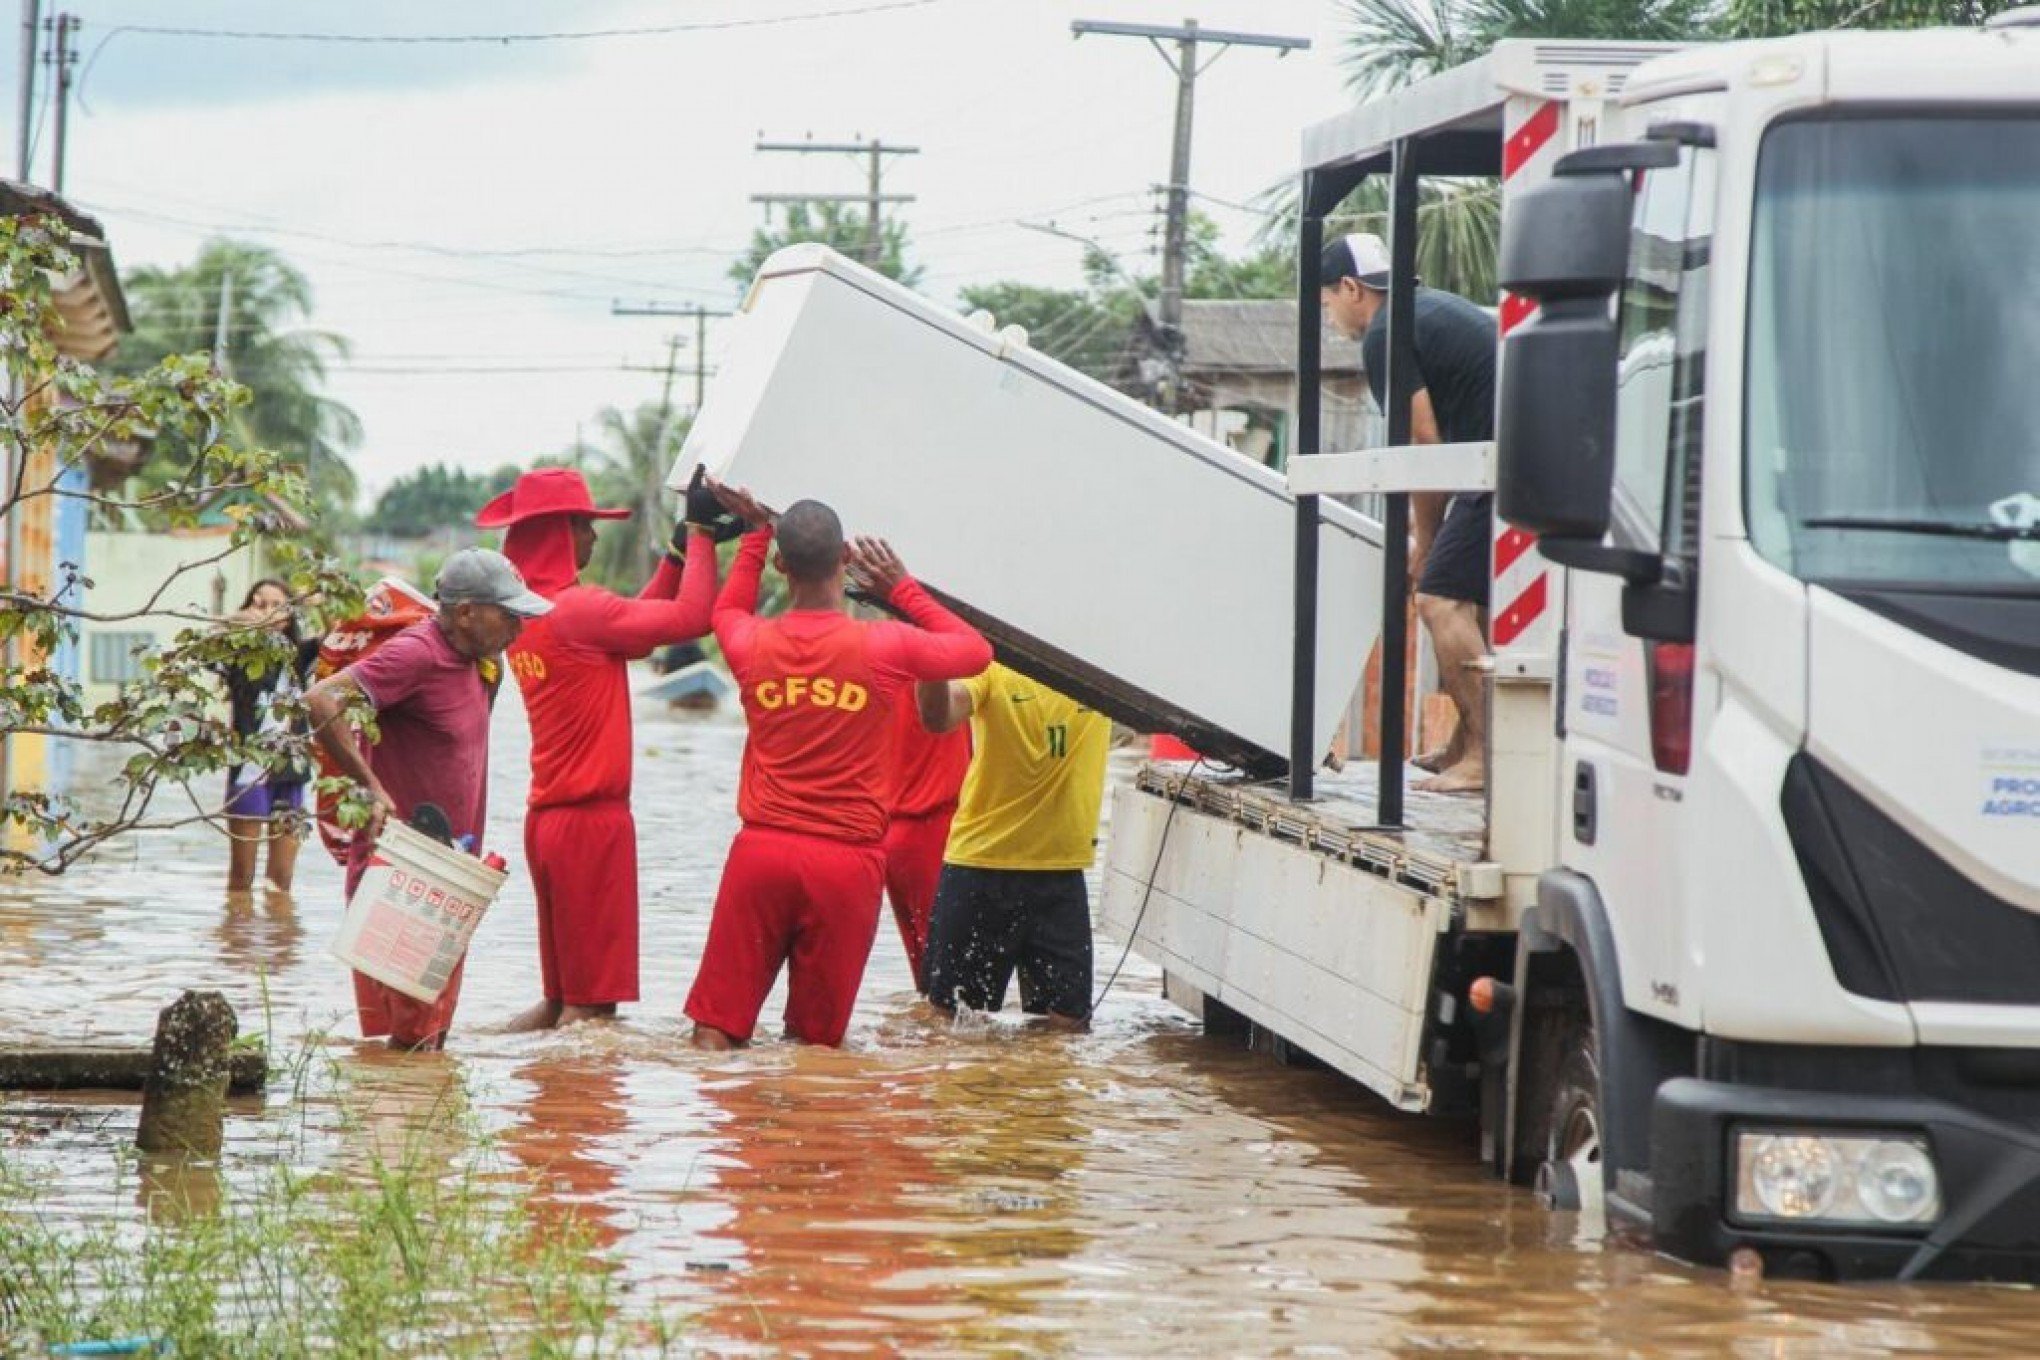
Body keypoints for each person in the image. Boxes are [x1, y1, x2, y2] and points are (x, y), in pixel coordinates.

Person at [684, 494, 992, 1050]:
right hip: (845, 867)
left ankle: (715, 1134)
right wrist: (899, 587)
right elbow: (974, 652)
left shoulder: (750, 643)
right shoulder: (884, 646)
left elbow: (724, 612)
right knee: (814, 1046)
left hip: (761, 855)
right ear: (845, 557)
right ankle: (815, 1135)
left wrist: (754, 535)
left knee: (715, 1033)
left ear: (783, 567)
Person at [479, 465, 729, 1032]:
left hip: (547, 824)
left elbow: (634, 629)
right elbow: (694, 618)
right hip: (591, 826)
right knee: (589, 1017)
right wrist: (703, 532)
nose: (595, 537)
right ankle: (582, 1119)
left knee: (559, 1006)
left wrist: (677, 554)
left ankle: (467, 1059)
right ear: (562, 532)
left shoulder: (530, 613)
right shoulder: (579, 610)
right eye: (588, 526)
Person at [306, 548, 551, 1051]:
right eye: (508, 616)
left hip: (447, 874)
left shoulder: (483, 665)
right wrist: (370, 786)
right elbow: (320, 700)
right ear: (465, 613)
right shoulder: (417, 653)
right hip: (399, 873)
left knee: (425, 1041)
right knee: (407, 1042)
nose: (518, 630)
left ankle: (417, 1125)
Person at [1321, 231, 1499, 794]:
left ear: (1351, 288)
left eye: (1326, 301)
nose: (1329, 316)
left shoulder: (1384, 334)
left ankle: (1491, 756)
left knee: (1439, 598)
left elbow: (1422, 442)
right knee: (1470, 602)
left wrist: (1425, 544)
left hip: (1497, 461)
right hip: (1517, 455)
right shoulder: (1428, 309)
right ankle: (1464, 745)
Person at [917, 664, 1110, 1029]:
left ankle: (1026, 1087)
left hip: (1061, 874)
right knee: (949, 1024)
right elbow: (938, 717)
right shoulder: (992, 666)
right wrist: (931, 661)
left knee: (1069, 1028)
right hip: (980, 869)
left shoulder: (1097, 673)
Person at [218, 578, 322, 893]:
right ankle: (237, 937)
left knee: (280, 883)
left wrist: (318, 602)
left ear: (290, 614)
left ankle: (280, 939)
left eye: (277, 605)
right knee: (241, 878)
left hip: (291, 773)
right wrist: (239, 621)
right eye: (258, 603)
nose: (267, 611)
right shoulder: (238, 655)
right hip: (249, 771)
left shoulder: (301, 655)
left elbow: (335, 636)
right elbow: (204, 649)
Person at [883, 696, 971, 991]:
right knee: (949, 988)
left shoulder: (884, 662)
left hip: (893, 830)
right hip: (932, 828)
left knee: (929, 978)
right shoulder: (942, 663)